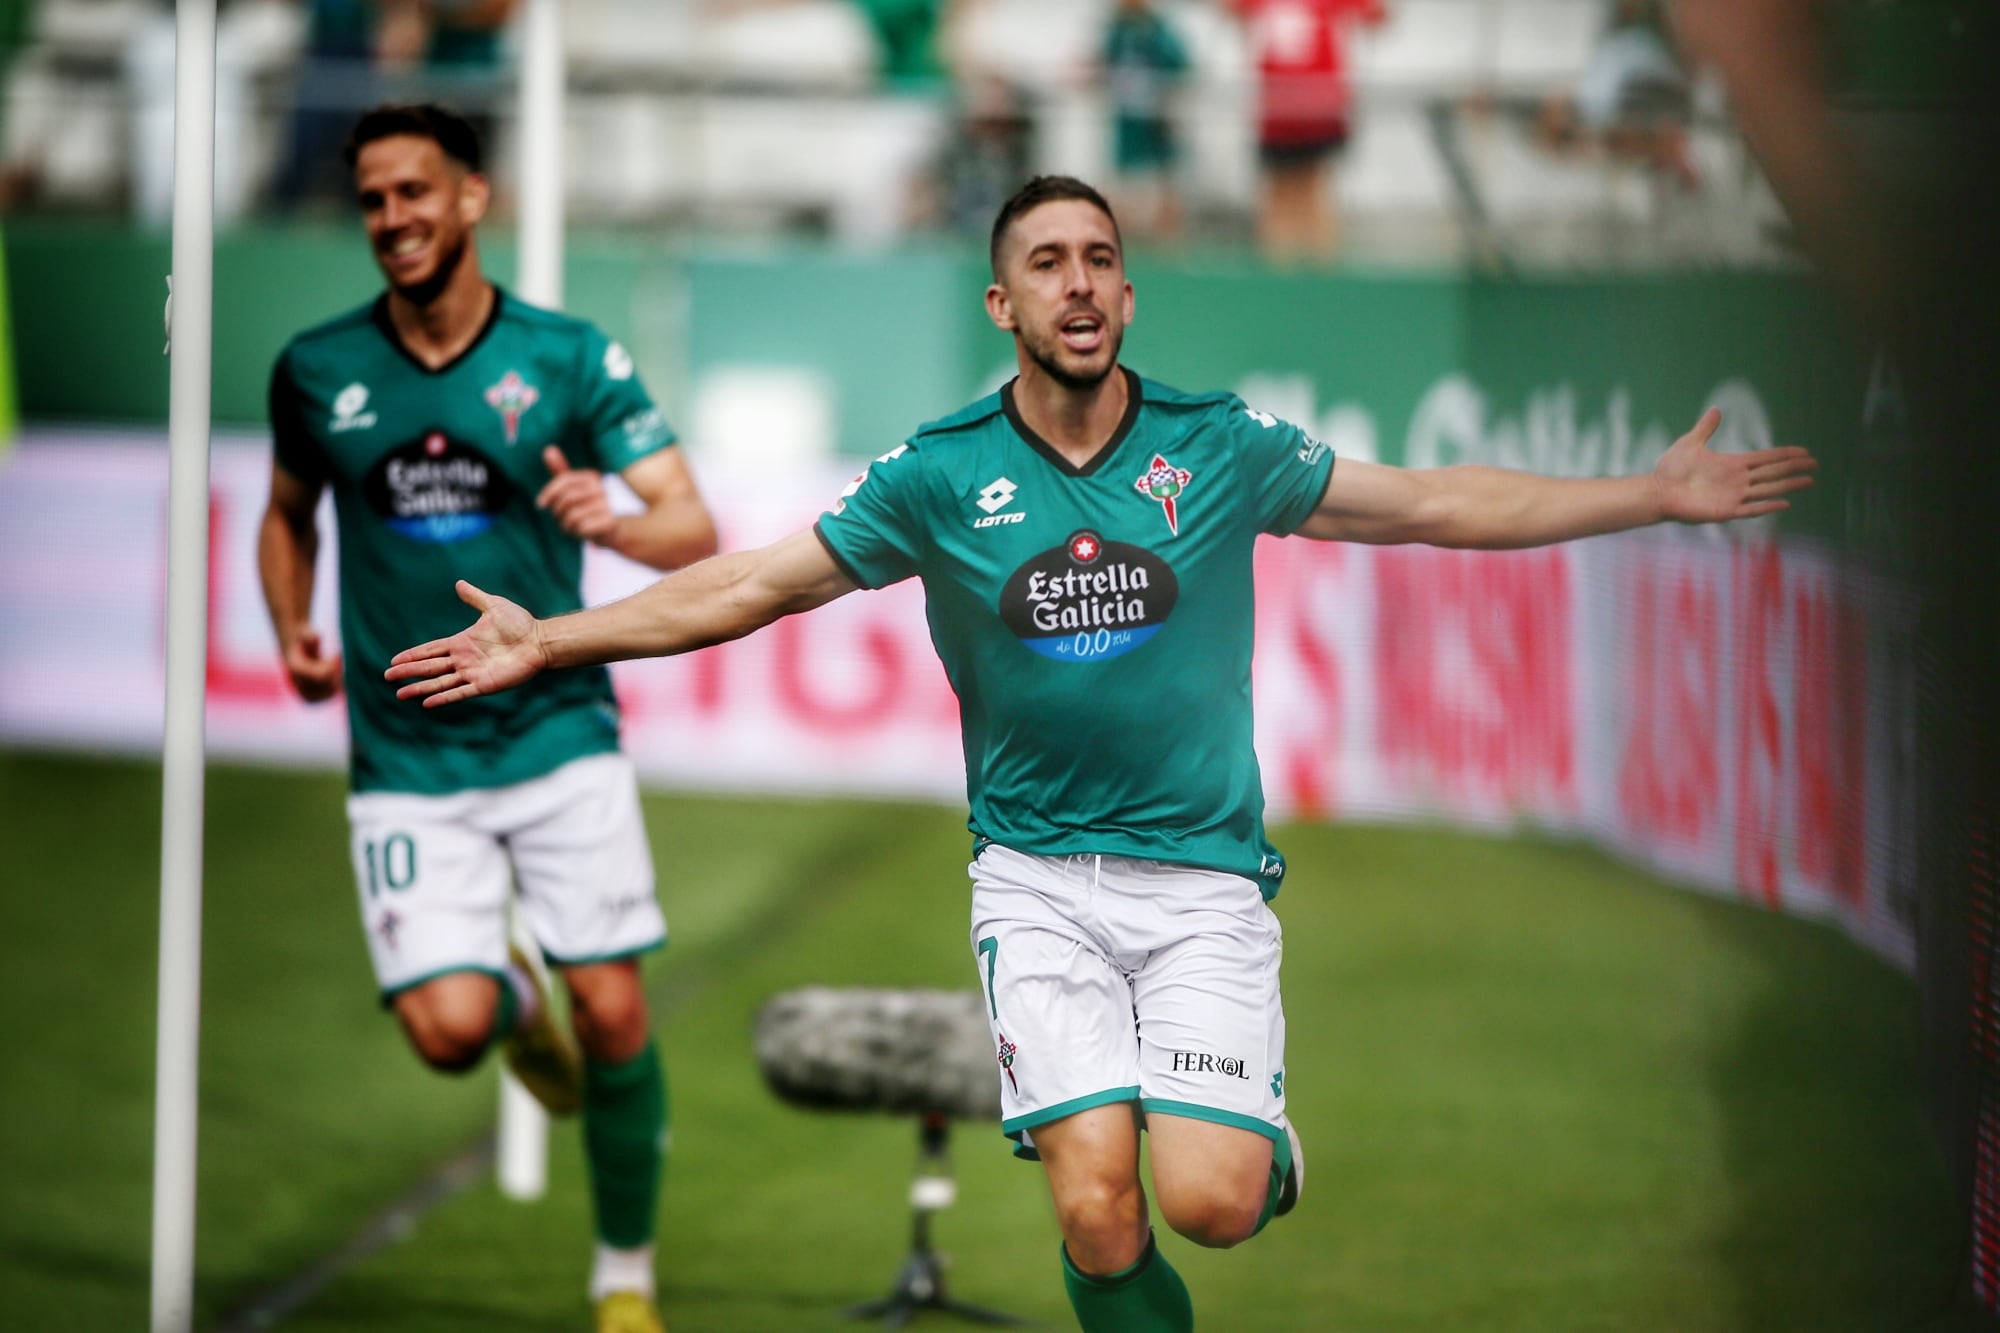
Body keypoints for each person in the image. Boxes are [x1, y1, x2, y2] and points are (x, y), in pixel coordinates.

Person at [384, 175, 1816, 1331]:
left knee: (1204, 1198)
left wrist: (1651, 492)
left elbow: (1435, 499)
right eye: (1050, 262)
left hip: (1199, 882)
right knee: (1094, 1212)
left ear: (1128, 291)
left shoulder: (1223, 447)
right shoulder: (939, 474)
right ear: (1005, 301)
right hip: (1034, 885)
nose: (1080, 282)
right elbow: (751, 584)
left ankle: (1256, 1150)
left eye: (1102, 259)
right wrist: (552, 640)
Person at [259, 103, 716, 1333]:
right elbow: (285, 512)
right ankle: (511, 998)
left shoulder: (567, 357)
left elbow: (694, 526)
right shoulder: (316, 367)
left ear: (471, 198)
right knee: (450, 1033)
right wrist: (290, 622)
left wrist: (610, 520)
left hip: (555, 724)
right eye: (373, 200)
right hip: (405, 747)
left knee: (615, 1007)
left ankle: (624, 1278)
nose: (394, 219)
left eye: (416, 192)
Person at [1234, 0, 1386, 261]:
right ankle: (1280, 269)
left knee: (1314, 187)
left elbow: (1378, 17)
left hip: (1320, 108)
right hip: (1277, 111)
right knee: (1279, 190)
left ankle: (1321, 268)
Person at [1099, 0, 1191, 241]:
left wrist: (1167, 101)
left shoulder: (1159, 31)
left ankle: (1167, 249)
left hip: (1157, 128)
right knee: (1122, 195)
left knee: (1164, 192)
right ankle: (1126, 250)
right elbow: (1103, 64)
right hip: (1127, 127)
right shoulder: (1117, 31)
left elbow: (1181, 68)